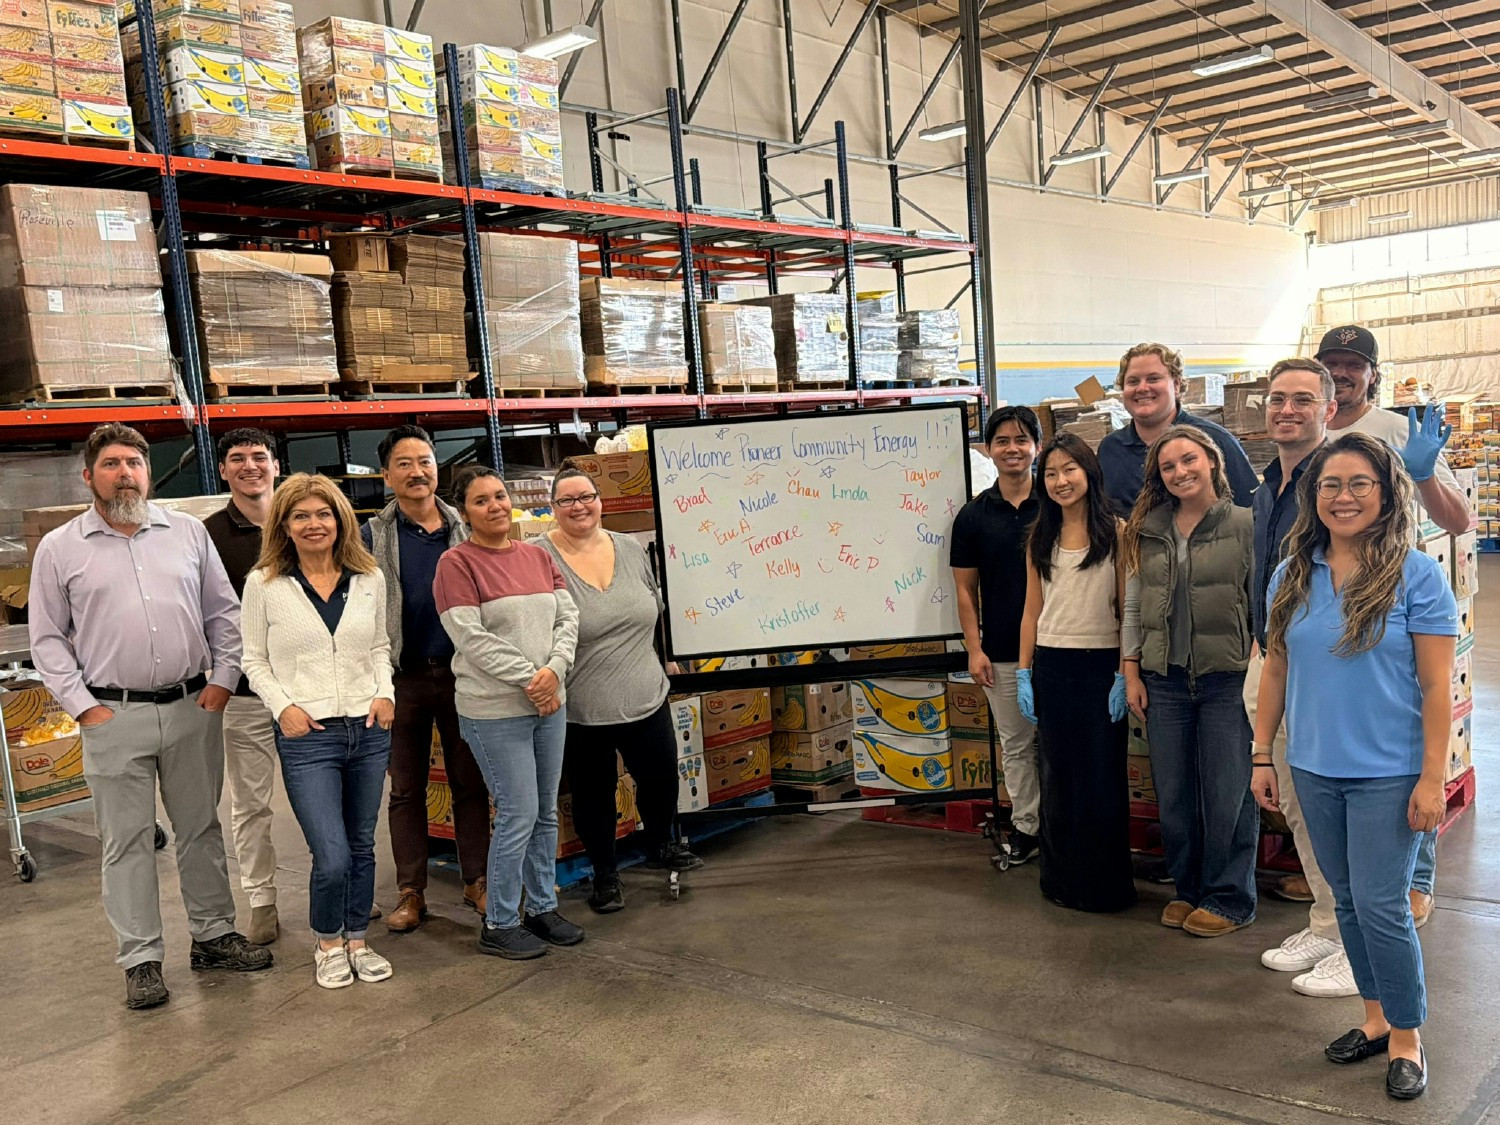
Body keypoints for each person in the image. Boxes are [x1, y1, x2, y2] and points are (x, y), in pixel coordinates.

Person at [29, 424, 272, 1011]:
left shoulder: (187, 532)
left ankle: (213, 936)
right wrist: (84, 707)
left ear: (147, 473)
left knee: (201, 828)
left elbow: (224, 614)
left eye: (134, 463)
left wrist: (222, 680)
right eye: (111, 464)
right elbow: (47, 639)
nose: (125, 474)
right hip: (113, 714)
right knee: (127, 841)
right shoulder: (60, 548)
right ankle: (140, 959)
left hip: (192, 707)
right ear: (89, 476)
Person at [1252, 432, 1455, 1101]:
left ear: (1386, 492)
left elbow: (1437, 688)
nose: (1343, 496)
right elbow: (1276, 669)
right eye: (1330, 485)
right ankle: (1374, 1018)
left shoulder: (1415, 575)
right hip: (1313, 766)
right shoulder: (1293, 573)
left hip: (1389, 773)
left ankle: (1407, 1036)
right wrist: (1262, 751)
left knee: (1382, 906)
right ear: (1314, 496)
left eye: (1359, 483)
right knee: (1346, 904)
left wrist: (1432, 779)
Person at [1316, 324, 1470, 935]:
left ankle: (1415, 877)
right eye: (1331, 363)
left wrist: (1424, 475)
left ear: (1372, 374)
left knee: (1402, 737)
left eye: (1352, 364)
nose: (1341, 373)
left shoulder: (1402, 432)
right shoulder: (1311, 429)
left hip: (1394, 604)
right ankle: (1351, 867)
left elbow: (1458, 521)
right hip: (1325, 601)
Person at [241, 474, 396, 990]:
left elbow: (379, 646)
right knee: (331, 855)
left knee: (362, 845)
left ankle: (358, 940)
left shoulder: (368, 577)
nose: (314, 524)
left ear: (340, 520)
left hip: (367, 728)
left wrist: (385, 693)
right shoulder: (264, 584)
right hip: (308, 736)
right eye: (301, 516)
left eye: (323, 513)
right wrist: (283, 707)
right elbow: (253, 660)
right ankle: (328, 942)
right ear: (284, 526)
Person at [536, 468, 703, 912]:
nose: (579, 507)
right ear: (553, 508)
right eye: (567, 500)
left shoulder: (628, 548)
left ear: (600, 500)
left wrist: (666, 656)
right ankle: (605, 874)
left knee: (661, 778)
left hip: (646, 693)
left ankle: (660, 844)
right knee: (594, 794)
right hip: (583, 706)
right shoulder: (538, 555)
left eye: (586, 497)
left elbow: (656, 608)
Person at [433, 465, 582, 959]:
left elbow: (567, 618)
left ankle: (541, 907)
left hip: (548, 703)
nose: (495, 506)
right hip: (495, 711)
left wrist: (554, 670)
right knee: (518, 813)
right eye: (481, 500)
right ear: (463, 511)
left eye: (499, 496)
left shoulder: (538, 555)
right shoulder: (456, 564)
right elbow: (471, 638)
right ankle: (499, 921)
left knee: (544, 812)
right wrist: (531, 679)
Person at [1121, 425, 1258, 937]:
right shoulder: (1148, 529)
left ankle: (1230, 898)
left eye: (1189, 460)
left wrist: (1258, 660)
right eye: (1168, 466)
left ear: (1213, 462)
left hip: (1227, 679)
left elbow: (1262, 599)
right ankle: (1188, 888)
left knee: (1227, 793)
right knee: (1175, 796)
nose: (1180, 472)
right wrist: (1131, 670)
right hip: (1165, 680)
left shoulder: (1245, 524)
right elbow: (1133, 605)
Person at [1246, 358, 1357, 993]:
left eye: (1302, 400)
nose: (1286, 410)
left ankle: (1358, 940)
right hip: (1273, 658)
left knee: (1336, 804)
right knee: (1296, 799)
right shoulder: (1269, 485)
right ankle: (1327, 921)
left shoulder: (1339, 480)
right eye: (1277, 398)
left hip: (1325, 664)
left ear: (1329, 410)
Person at [361, 425, 490, 934]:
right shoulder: (372, 536)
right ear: (386, 475)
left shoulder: (466, 526)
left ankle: (477, 880)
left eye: (425, 461)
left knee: (470, 782)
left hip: (463, 675)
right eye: (404, 464)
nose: (417, 472)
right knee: (405, 789)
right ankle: (411, 891)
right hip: (402, 678)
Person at [1016, 433, 1135, 913]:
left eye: (1069, 469)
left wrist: (1124, 673)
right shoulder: (1039, 537)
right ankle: (1060, 880)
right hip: (1052, 666)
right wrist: (1023, 672)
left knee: (1100, 780)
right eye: (1050, 473)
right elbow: (1031, 611)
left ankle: (1103, 888)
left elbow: (1127, 610)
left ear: (1089, 472)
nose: (1061, 481)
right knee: (1058, 777)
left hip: (1099, 667)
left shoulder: (1118, 533)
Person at [951, 405, 1043, 864]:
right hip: (1002, 651)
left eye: (1022, 440)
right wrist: (975, 649)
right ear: (987, 450)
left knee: (1065, 744)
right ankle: (1028, 827)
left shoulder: (1057, 505)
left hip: (1062, 648)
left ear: (1037, 447)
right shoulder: (973, 516)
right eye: (1002, 441)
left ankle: (1068, 829)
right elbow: (965, 591)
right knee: (1017, 746)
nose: (1012, 449)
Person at [202, 427, 283, 945]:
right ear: (223, 470)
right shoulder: (207, 535)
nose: (249, 465)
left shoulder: (303, 518)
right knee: (251, 803)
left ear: (276, 465)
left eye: (258, 456)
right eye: (237, 458)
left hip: (308, 692)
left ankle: (338, 887)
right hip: (248, 695)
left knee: (323, 799)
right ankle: (262, 900)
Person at [1097, 342, 1259, 517]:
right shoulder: (1110, 450)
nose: (1142, 388)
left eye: (1153, 379)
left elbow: (1252, 512)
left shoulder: (1215, 440)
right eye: (1133, 381)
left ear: (1176, 385)